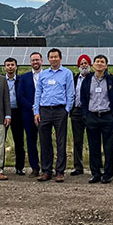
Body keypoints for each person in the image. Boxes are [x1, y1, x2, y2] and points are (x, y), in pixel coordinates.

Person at [33, 48, 74, 182]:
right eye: (51, 57)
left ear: (60, 58)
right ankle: (46, 171)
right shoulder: (43, 74)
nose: (54, 59)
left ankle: (60, 171)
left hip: (59, 110)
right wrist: (36, 111)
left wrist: (67, 110)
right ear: (48, 59)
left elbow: (70, 93)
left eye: (56, 57)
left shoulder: (67, 73)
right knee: (44, 141)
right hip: (44, 110)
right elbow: (38, 93)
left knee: (61, 141)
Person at [80, 54, 113, 184]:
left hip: (107, 116)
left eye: (102, 62)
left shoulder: (111, 79)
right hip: (92, 116)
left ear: (106, 65)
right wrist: (86, 114)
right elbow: (83, 98)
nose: (99, 64)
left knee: (109, 147)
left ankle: (108, 174)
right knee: (94, 147)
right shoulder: (87, 80)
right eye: (97, 61)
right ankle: (96, 173)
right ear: (93, 64)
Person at [16, 52, 43, 177]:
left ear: (41, 61)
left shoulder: (47, 75)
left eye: (37, 60)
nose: (35, 62)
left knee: (45, 141)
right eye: (33, 60)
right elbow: (20, 96)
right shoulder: (24, 77)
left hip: (45, 113)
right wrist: (33, 108)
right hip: (28, 113)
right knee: (31, 142)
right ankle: (35, 167)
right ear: (30, 62)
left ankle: (47, 167)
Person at [2, 57, 26, 175]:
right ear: (4, 67)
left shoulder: (21, 80)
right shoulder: (0, 80)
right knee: (1, 141)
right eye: (8, 65)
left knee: (19, 141)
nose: (10, 67)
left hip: (18, 113)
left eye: (12, 65)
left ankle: (19, 167)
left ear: (16, 66)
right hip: (4, 113)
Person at [69, 54, 91, 176]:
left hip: (90, 112)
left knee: (93, 140)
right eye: (81, 63)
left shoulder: (93, 78)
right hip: (76, 111)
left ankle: (95, 166)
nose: (84, 65)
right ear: (78, 66)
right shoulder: (74, 78)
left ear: (89, 65)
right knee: (77, 140)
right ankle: (78, 166)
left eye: (86, 63)